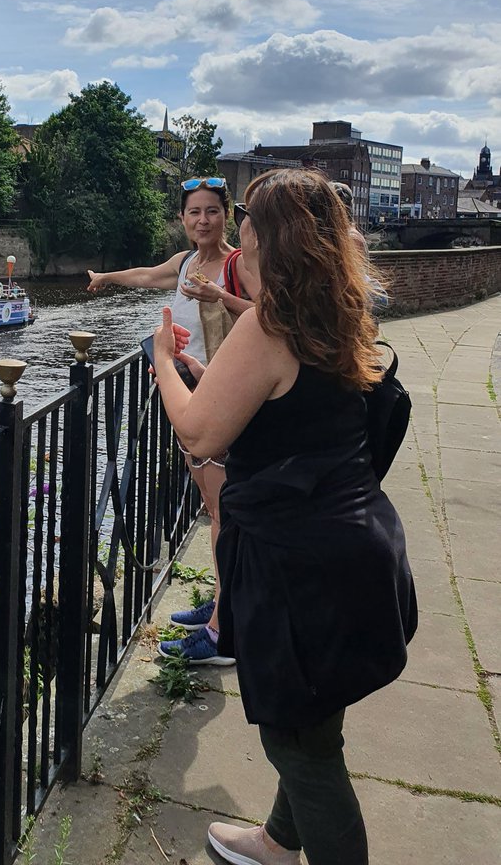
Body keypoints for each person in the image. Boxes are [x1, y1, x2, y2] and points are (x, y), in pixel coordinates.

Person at [151, 169, 417, 865]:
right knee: (314, 723)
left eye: (247, 240)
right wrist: (209, 376)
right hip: (357, 548)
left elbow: (201, 436)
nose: (241, 255)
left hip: (301, 570)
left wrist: (161, 367)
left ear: (273, 247)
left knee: (298, 745)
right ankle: (274, 841)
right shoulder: (341, 316)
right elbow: (277, 407)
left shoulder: (270, 326)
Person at [88, 177, 257, 663]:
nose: (202, 220)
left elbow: (270, 318)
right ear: (182, 220)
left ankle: (226, 632)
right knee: (214, 506)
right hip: (190, 391)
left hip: (224, 395)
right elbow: (147, 276)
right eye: (193, 213)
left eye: (211, 211)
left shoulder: (237, 265)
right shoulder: (185, 264)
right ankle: (226, 602)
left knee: (226, 510)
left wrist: (219, 298)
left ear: (226, 215)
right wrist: (106, 278)